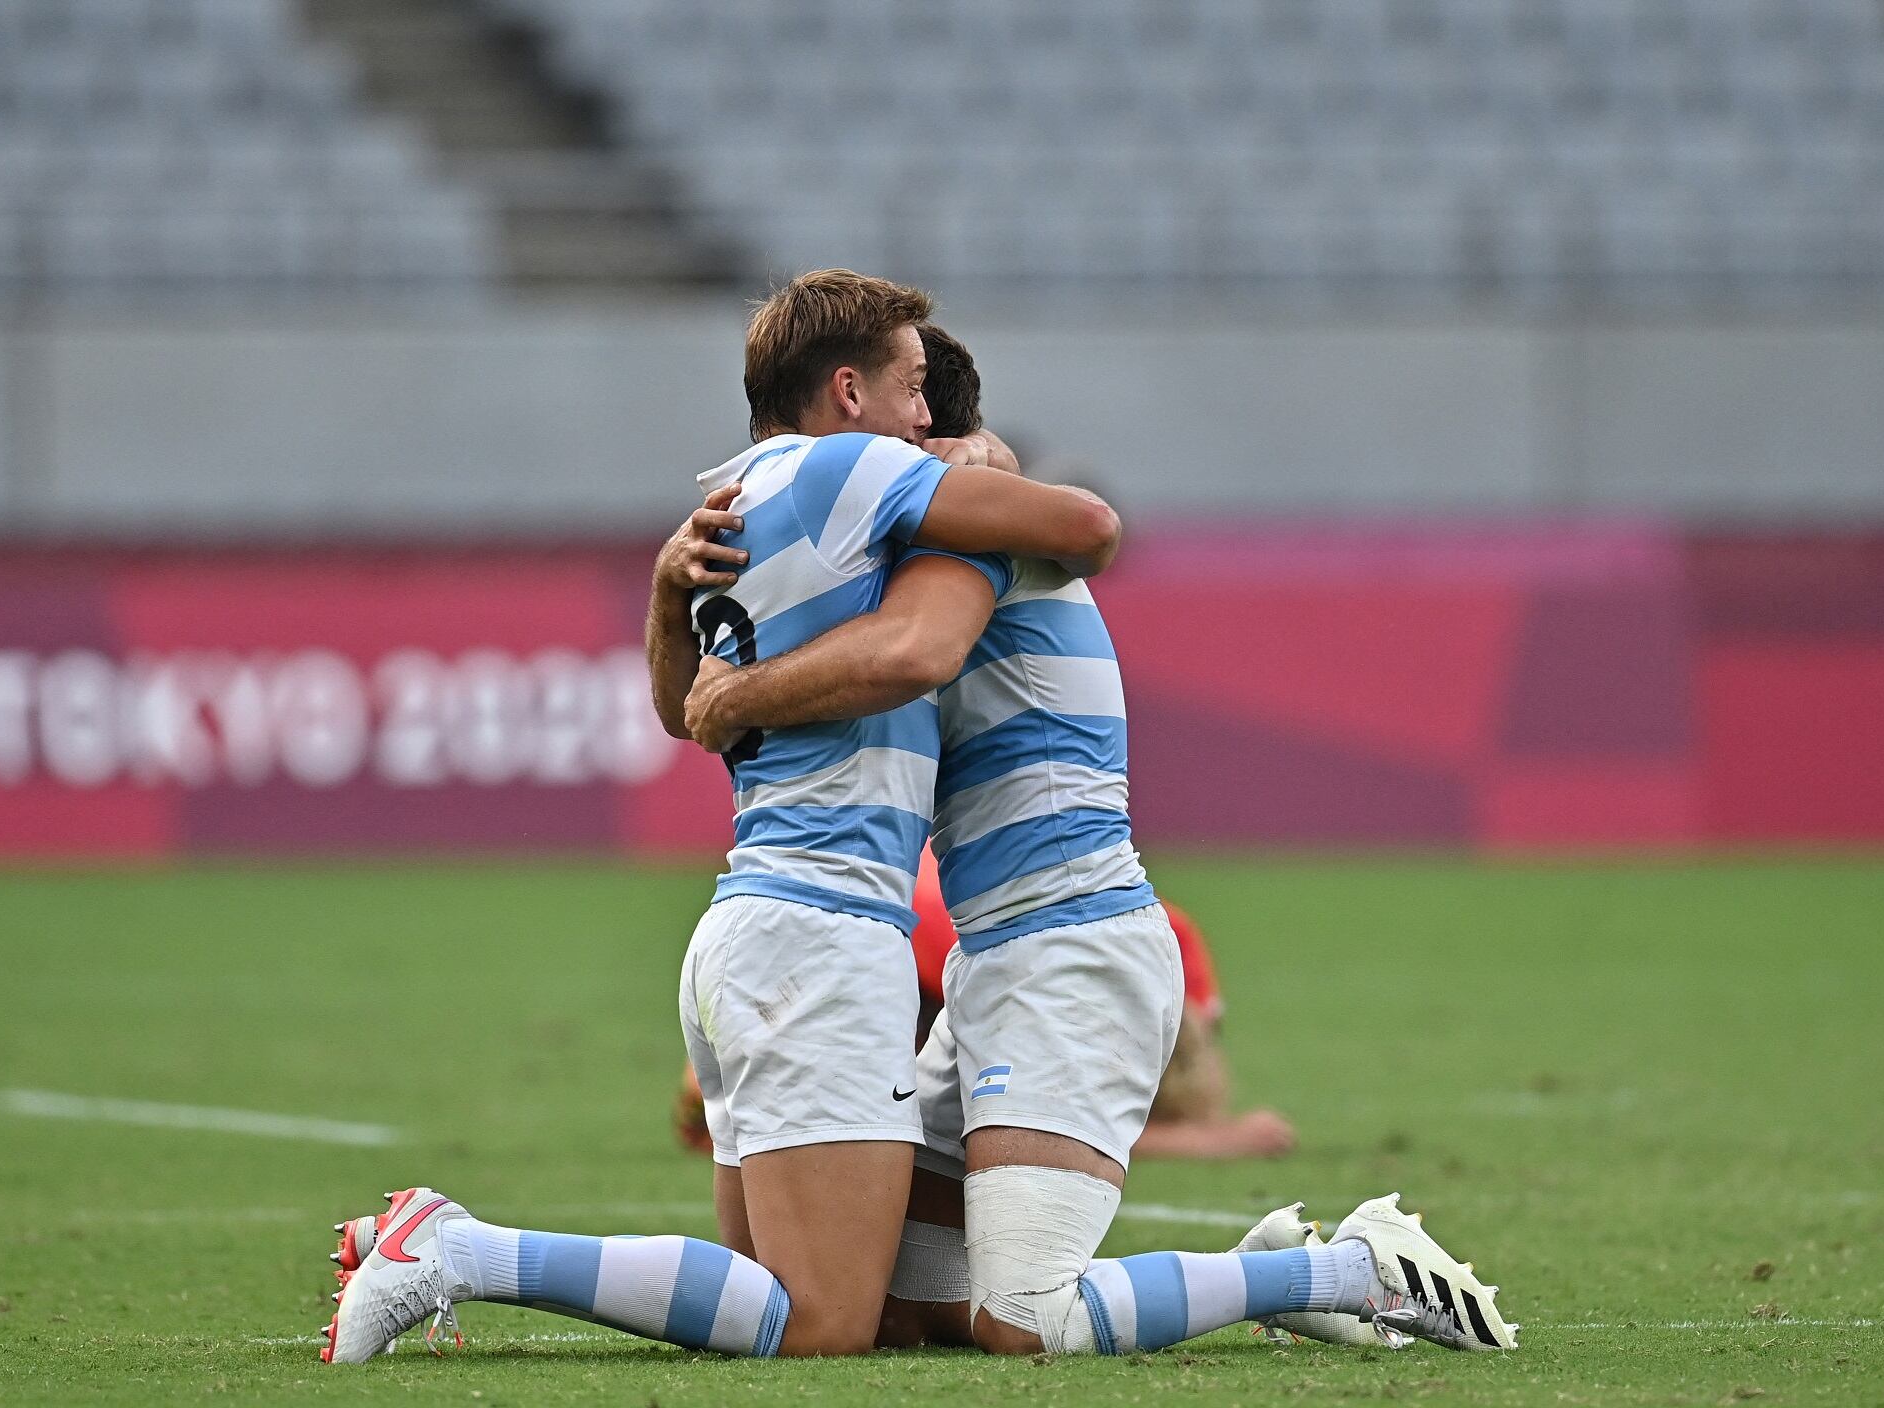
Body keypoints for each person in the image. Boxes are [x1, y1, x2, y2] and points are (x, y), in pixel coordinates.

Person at [320, 270, 1132, 1364]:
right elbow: (1084, 525)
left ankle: (450, 1248)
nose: (924, 417)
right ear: (846, 392)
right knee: (819, 1319)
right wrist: (985, 467)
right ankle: (464, 1250)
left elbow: (680, 711)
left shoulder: (730, 502)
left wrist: (666, 602)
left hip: (744, 930)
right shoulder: (851, 467)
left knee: (775, 1302)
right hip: (824, 940)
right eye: (907, 388)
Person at [682, 322, 1518, 1358]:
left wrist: (735, 694)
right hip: (1003, 957)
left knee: (1026, 1321)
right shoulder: (906, 536)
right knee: (893, 1305)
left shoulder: (958, 539)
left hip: (1073, 944)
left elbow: (914, 648)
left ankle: (1357, 1270)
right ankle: (1258, 1277)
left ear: (916, 431)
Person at [677, 848, 1296, 1163]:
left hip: (885, 900)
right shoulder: (1154, 950)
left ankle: (742, 1074)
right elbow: (1032, 1127)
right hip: (886, 929)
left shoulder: (1166, 941)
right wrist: (1213, 1142)